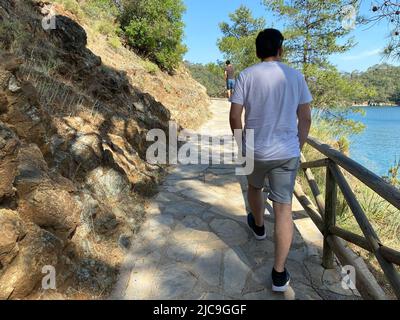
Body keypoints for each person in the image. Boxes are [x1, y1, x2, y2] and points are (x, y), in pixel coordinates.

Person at [229, 28, 312, 293]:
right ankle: (278, 274)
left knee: (254, 188)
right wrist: (297, 144)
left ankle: (260, 226)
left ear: (257, 51)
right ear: (280, 49)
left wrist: (242, 143)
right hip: (286, 152)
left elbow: (234, 117)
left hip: (253, 148)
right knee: (283, 209)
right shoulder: (296, 76)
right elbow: (305, 118)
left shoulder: (245, 75)